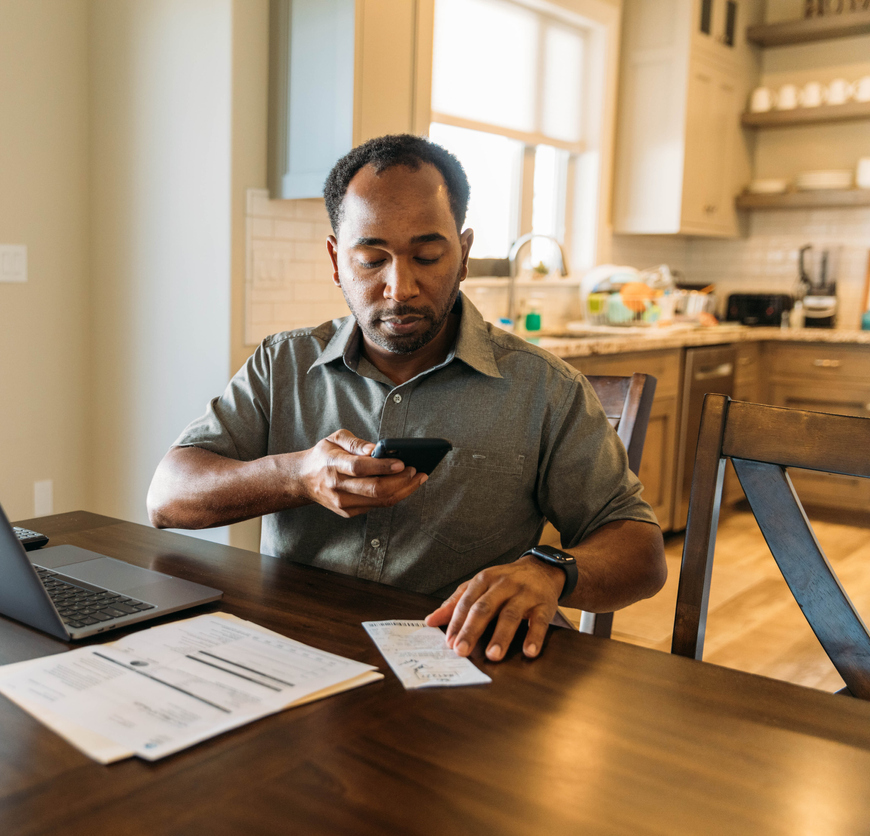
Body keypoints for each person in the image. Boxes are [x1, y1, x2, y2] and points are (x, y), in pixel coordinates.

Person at [147, 134, 666, 663]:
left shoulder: (546, 390)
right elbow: (167, 498)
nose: (400, 287)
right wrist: (297, 476)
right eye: (372, 259)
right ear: (335, 259)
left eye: (427, 255)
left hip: (466, 666)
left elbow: (642, 552)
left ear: (463, 254)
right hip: (302, 655)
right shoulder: (283, 365)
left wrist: (552, 569)